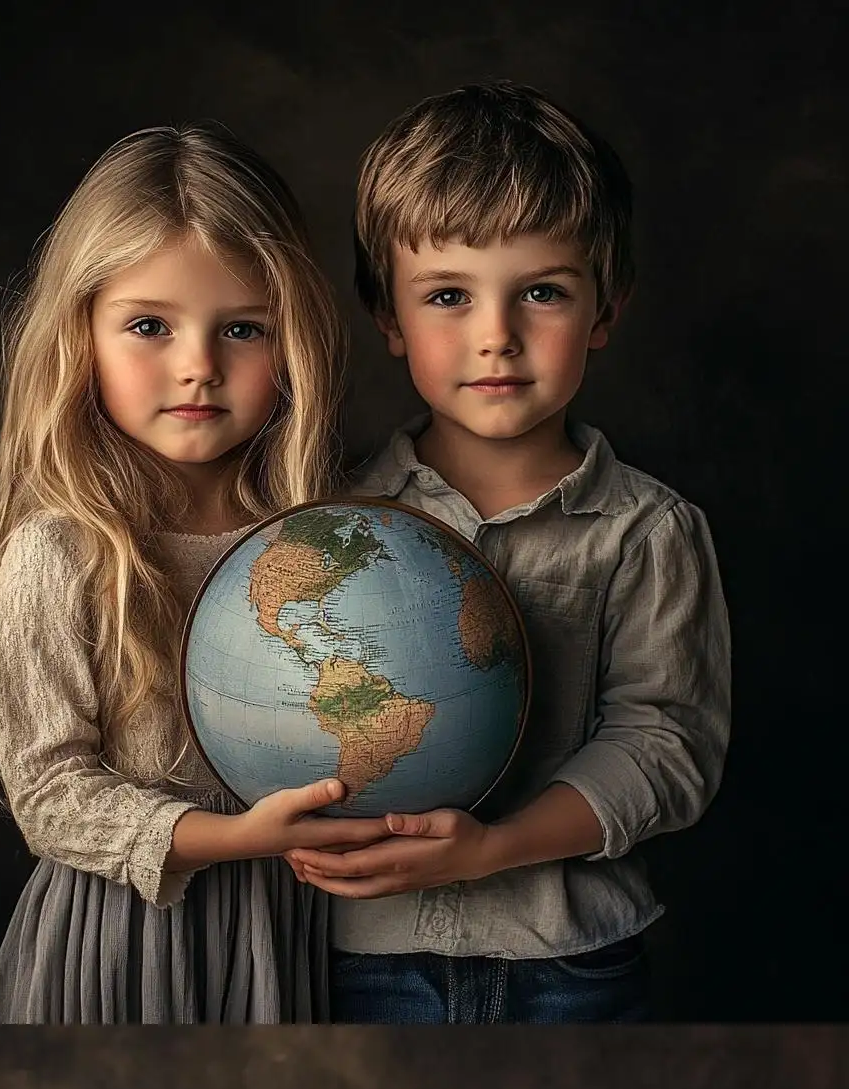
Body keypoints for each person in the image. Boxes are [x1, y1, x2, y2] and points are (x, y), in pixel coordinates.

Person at [288, 85, 731, 1023]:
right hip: (361, 960)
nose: (497, 335)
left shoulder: (648, 532)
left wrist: (498, 847)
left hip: (572, 959)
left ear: (606, 309)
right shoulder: (326, 523)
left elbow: (667, 743)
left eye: (543, 292)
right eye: (449, 295)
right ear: (388, 313)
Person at [0, 124, 388, 1023]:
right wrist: (230, 838)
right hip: (127, 939)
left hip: (292, 925)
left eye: (242, 329)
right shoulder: (59, 551)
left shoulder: (327, 541)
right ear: (82, 336)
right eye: (150, 325)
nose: (198, 366)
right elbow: (48, 792)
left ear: (293, 342)